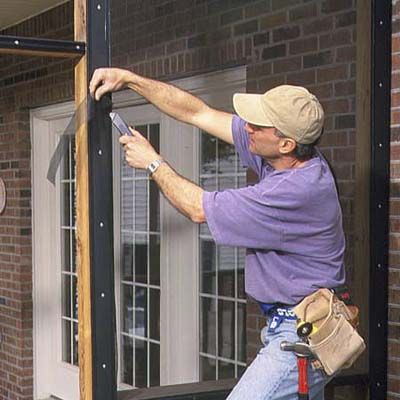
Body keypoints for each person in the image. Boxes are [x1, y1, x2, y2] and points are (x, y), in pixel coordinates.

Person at [89, 68, 346, 400]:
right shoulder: (286, 156)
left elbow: (198, 208)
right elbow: (199, 113)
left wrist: (152, 162)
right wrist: (130, 80)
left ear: (286, 142)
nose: (247, 127)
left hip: (300, 336)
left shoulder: (295, 191)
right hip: (293, 324)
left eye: (258, 125)